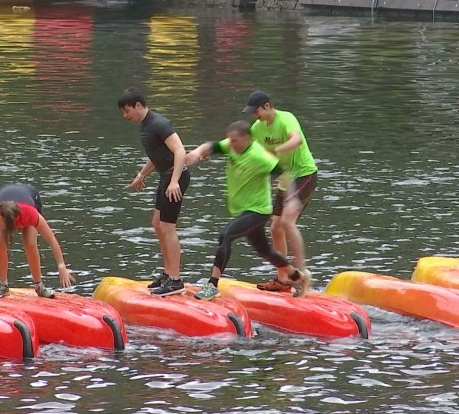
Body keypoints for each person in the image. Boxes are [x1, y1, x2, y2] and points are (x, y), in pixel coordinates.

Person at [185, 121, 312, 300]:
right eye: (230, 140)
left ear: (246, 138)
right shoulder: (232, 146)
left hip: (258, 211)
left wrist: (291, 200)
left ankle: (212, 285)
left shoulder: (260, 157)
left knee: (225, 236)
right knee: (265, 251)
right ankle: (297, 277)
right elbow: (211, 146)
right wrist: (197, 153)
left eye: (235, 140)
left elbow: (285, 175)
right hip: (245, 210)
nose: (231, 144)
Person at [242, 90, 317, 293]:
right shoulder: (257, 128)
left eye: (256, 111)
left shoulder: (286, 118)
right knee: (275, 228)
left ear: (267, 106)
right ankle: (283, 278)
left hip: (304, 174)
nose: (254, 115)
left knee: (286, 222)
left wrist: (277, 151)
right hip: (285, 179)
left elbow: (296, 140)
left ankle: (301, 273)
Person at [117, 88, 190, 297]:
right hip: (165, 176)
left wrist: (175, 181)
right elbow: (156, 154)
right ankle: (168, 274)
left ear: (138, 105)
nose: (125, 115)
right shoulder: (145, 125)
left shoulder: (158, 123)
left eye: (127, 110)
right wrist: (142, 174)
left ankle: (176, 280)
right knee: (157, 224)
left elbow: (180, 151)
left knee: (167, 226)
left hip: (175, 176)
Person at [0, 183, 74, 299]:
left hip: (30, 198)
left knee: (30, 242)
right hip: (5, 192)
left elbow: (52, 240)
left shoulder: (30, 214)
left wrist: (61, 266)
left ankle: (39, 286)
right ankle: (3, 285)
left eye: (1, 222)